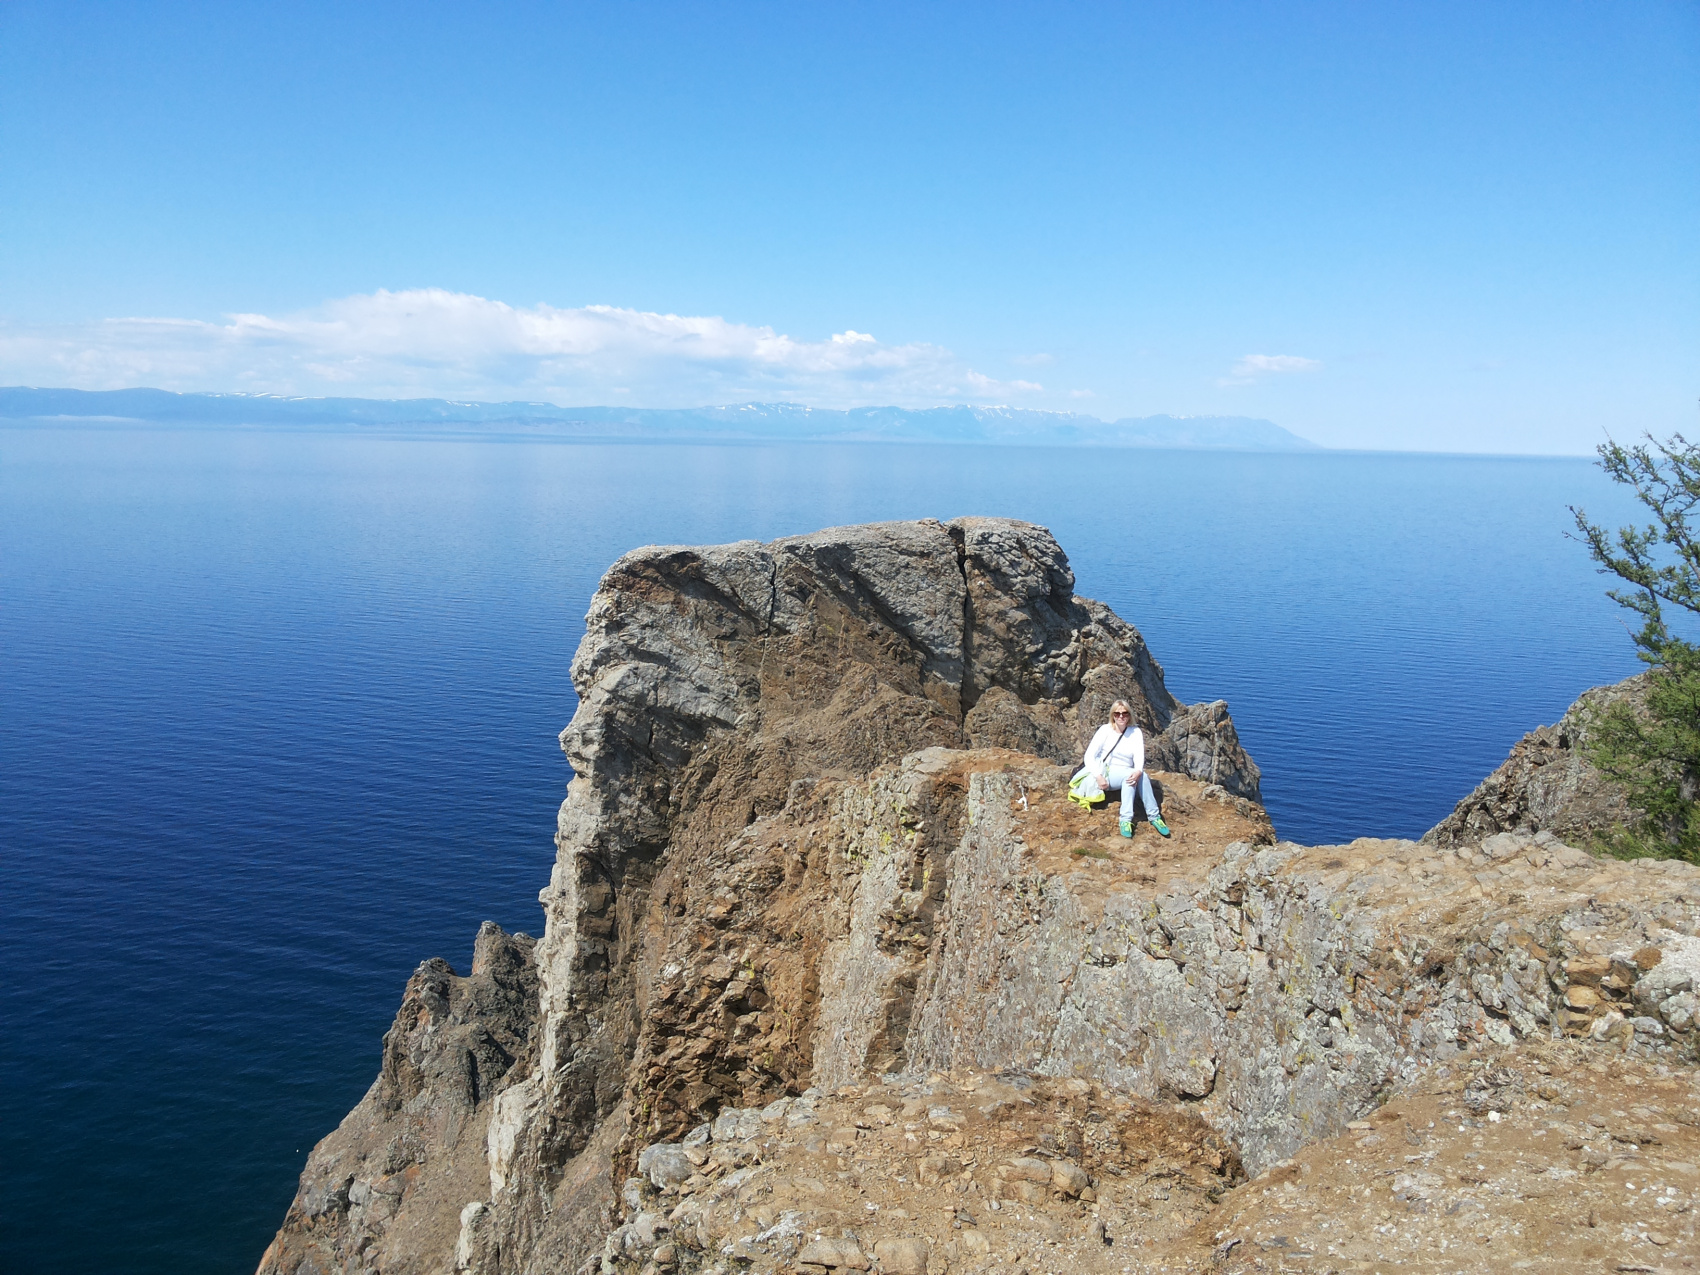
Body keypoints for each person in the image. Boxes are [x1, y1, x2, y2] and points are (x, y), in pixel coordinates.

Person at [1082, 700, 1170, 838]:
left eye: (1124, 713)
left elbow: (1139, 756)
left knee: (1141, 776)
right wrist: (1098, 776)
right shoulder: (1105, 730)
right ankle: (1126, 819)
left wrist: (1138, 771)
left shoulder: (1135, 732)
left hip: (1125, 773)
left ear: (1129, 715)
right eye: (1117, 714)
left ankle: (1153, 817)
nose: (1121, 717)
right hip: (1106, 773)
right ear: (1113, 715)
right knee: (1132, 776)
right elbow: (1089, 756)